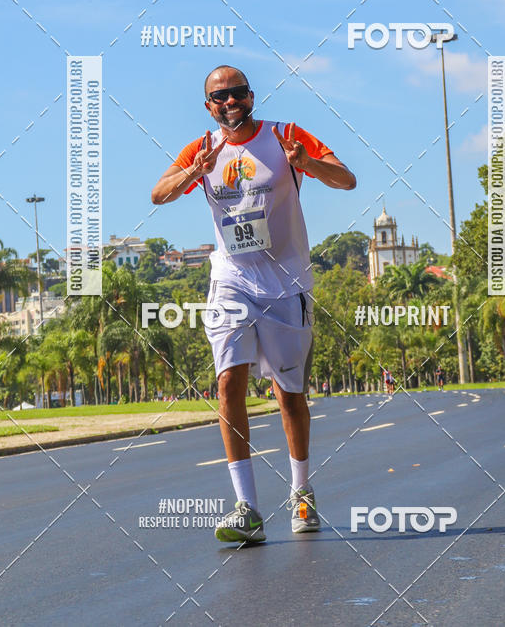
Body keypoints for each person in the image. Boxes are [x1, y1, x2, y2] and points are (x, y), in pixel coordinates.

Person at [151, 65, 356, 543]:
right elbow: (158, 195)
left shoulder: (286, 136)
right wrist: (193, 172)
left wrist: (307, 163)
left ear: (251, 96)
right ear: (209, 106)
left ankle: (302, 493)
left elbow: (346, 180)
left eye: (238, 93)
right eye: (219, 96)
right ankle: (246, 508)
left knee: (290, 394)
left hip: (287, 284)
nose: (230, 102)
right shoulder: (202, 149)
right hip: (231, 281)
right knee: (228, 382)